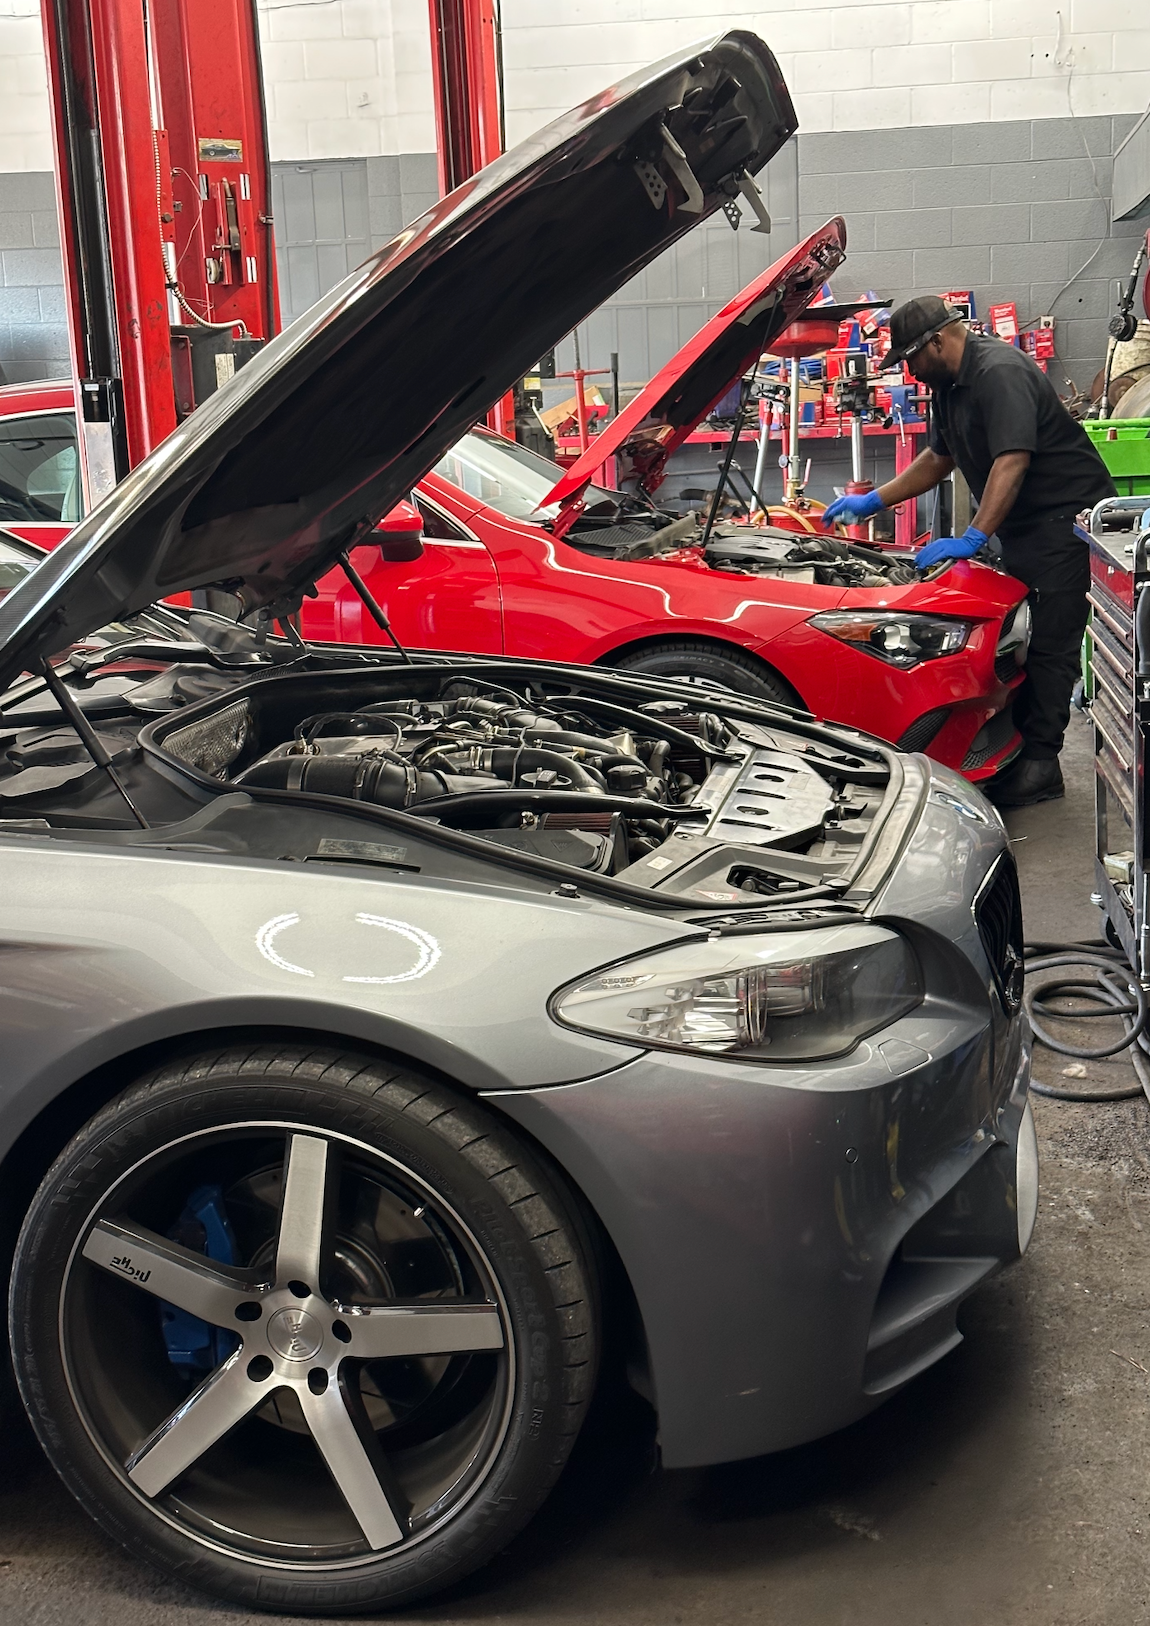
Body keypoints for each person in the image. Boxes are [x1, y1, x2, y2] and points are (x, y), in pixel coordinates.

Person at [823, 295, 1116, 808]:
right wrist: (873, 501)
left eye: (911, 358)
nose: (910, 371)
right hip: (1023, 527)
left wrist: (974, 536)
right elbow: (939, 458)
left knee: (1050, 646)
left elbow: (1012, 461)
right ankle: (1016, 751)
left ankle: (1042, 767)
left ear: (937, 341)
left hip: (1064, 524)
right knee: (1017, 642)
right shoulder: (948, 386)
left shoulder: (999, 373)